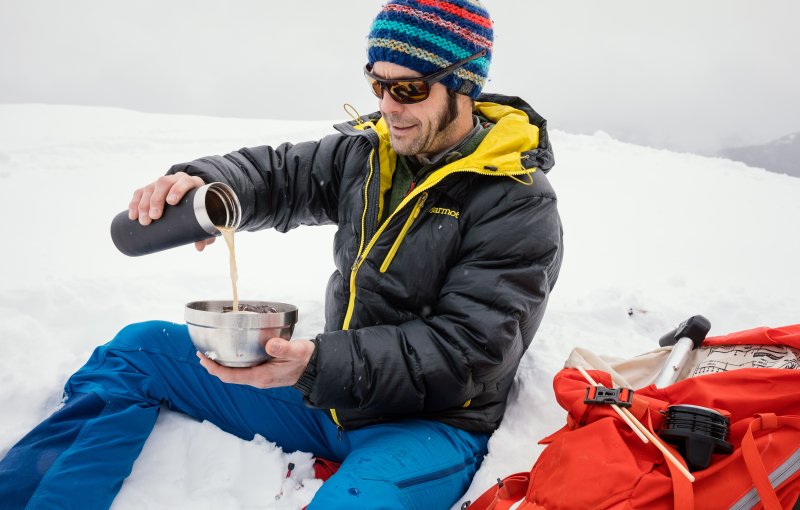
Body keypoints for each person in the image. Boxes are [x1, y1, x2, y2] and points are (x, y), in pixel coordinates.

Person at [0, 1, 562, 508]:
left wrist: (316, 363)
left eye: (409, 89)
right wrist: (204, 184)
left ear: (464, 86)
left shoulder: (518, 203)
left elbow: (467, 353)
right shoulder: (368, 155)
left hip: (429, 426)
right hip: (332, 398)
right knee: (137, 352)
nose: (389, 107)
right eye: (377, 85)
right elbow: (275, 175)